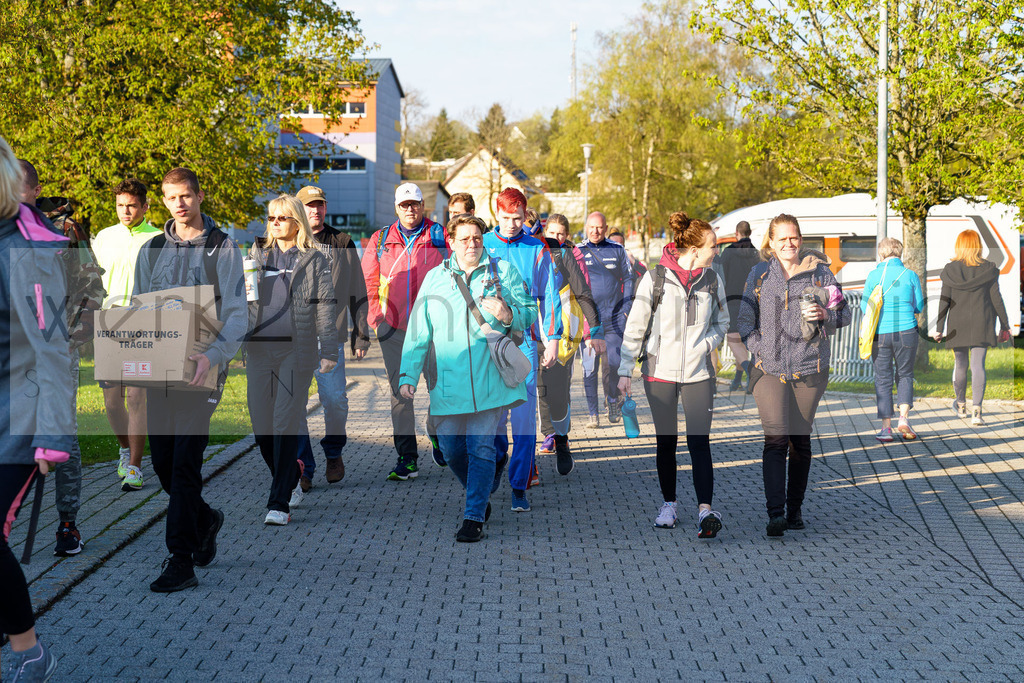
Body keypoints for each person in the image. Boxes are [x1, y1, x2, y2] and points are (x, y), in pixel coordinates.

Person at [134, 167, 246, 592]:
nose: (178, 204)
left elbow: (237, 313)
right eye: (170, 197)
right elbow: (139, 307)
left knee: (184, 464)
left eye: (185, 195)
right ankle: (205, 518)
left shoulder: (222, 248)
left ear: (199, 196)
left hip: (203, 373)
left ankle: (180, 561)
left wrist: (213, 355)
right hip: (161, 372)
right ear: (163, 201)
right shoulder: (152, 249)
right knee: (163, 465)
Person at [399, 215, 537, 541]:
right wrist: (408, 374)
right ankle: (485, 483)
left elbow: (530, 310)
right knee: (450, 450)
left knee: (480, 448)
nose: (472, 244)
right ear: (451, 242)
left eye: (477, 237)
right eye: (464, 239)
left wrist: (509, 314)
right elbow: (419, 331)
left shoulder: (502, 271)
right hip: (448, 380)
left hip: (491, 379)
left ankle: (474, 516)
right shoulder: (435, 279)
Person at [1, 135, 76, 681]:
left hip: (18, 419)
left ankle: (29, 650)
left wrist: (53, 433)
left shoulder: (26, 250)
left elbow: (52, 347)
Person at [737, 213, 851, 537]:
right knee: (775, 439)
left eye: (794, 237)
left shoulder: (821, 273)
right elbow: (744, 321)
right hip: (768, 370)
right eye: (783, 238)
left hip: (810, 368)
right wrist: (760, 349)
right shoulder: (759, 274)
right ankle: (775, 514)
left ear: (801, 239)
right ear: (771, 242)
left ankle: (794, 509)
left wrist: (826, 314)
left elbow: (844, 314)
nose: (789, 243)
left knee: (799, 441)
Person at [617, 213, 729, 536]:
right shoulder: (655, 279)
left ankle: (705, 510)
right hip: (659, 372)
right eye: (713, 246)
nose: (716, 251)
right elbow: (635, 327)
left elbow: (723, 322)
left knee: (699, 442)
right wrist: (625, 370)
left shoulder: (712, 279)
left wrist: (706, 344)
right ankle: (669, 504)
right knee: (667, 442)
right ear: (694, 249)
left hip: (699, 373)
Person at [19, 159, 105, 559]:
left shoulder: (64, 230)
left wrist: (72, 338)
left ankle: (67, 524)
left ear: (36, 191)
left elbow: (92, 288)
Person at [245, 195, 338, 524]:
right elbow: (245, 300)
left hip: (295, 352)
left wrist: (329, 350)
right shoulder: (257, 254)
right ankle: (292, 472)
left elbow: (325, 306)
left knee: (284, 423)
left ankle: (279, 502)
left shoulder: (314, 259)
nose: (274, 223)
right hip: (259, 350)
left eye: (281, 218)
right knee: (262, 429)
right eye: (271, 218)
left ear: (297, 223)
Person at [361, 183, 449, 480]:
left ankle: (436, 432)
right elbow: (368, 280)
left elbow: (456, 274)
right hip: (394, 329)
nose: (410, 209)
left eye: (414, 204)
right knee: (401, 394)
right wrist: (377, 318)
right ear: (396, 207)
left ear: (423, 205)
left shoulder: (439, 236)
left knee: (441, 387)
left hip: (433, 328)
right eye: (404, 205)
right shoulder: (381, 239)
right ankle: (407, 458)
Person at [482, 187, 561, 512]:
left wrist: (553, 338)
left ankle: (519, 485)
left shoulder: (537, 248)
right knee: (493, 417)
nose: (512, 224)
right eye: (506, 218)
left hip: (524, 341)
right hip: (487, 342)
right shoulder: (482, 243)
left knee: (524, 419)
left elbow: (550, 294)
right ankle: (497, 459)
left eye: (517, 218)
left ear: (525, 215)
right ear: (496, 214)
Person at [293, 185, 369, 492]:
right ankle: (303, 465)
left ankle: (334, 452)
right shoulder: (288, 241)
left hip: (329, 337)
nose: (315, 210)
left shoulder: (342, 242)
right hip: (295, 339)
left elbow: (357, 290)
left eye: (320, 205)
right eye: (309, 205)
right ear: (299, 209)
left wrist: (360, 335)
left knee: (335, 400)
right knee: (294, 404)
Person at [92, 178, 162, 492]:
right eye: (121, 205)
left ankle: (135, 466)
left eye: (132, 205)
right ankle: (124, 448)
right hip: (107, 324)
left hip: (143, 325)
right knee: (111, 402)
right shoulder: (103, 237)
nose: (126, 211)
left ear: (145, 206)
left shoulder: (158, 239)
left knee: (136, 396)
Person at [536, 214, 604, 475]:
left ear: (566, 236)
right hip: (532, 331)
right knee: (538, 390)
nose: (556, 238)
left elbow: (583, 292)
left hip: (561, 334)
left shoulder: (566, 255)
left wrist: (594, 329)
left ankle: (562, 440)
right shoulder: (533, 252)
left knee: (557, 392)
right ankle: (547, 436)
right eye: (551, 233)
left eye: (561, 234)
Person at [934, 229, 1011, 426]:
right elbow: (996, 299)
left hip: (957, 324)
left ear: (959, 246)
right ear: (978, 246)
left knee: (960, 364)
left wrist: (939, 327)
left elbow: (944, 300)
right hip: (982, 322)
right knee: (978, 366)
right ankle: (977, 412)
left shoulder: (950, 270)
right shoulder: (989, 269)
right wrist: (1005, 325)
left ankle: (961, 406)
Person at [862, 237, 924, 441]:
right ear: (900, 253)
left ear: (881, 254)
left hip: (880, 333)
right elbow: (919, 306)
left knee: (883, 378)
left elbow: (864, 307)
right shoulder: (910, 275)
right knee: (905, 374)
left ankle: (886, 428)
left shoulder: (874, 275)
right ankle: (903, 418)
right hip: (907, 331)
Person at [578, 212, 634, 426]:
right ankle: (593, 413)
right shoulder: (578, 251)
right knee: (589, 368)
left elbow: (629, 278)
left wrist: (626, 307)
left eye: (600, 227)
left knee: (614, 363)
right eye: (591, 227)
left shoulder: (617, 249)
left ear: (606, 228)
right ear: (586, 227)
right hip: (589, 320)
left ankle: (612, 399)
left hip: (614, 319)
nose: (595, 231)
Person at [719, 221, 760, 391]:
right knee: (743, 343)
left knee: (734, 341)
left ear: (737, 233)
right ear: (749, 233)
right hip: (751, 302)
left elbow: (721, 277)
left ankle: (750, 373)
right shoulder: (756, 252)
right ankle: (737, 380)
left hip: (732, 300)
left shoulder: (728, 252)